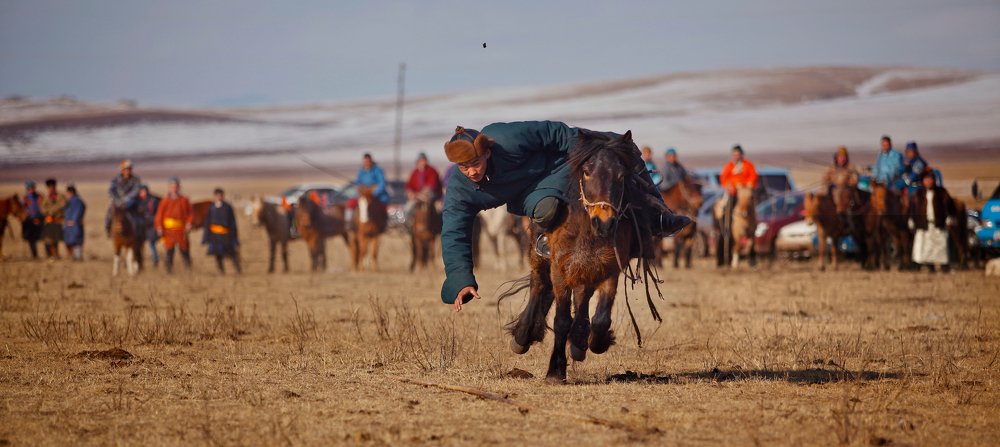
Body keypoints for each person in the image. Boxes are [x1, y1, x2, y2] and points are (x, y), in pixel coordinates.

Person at [439, 122, 691, 311]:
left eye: (475, 163)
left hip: (554, 170)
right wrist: (460, 279)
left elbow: (555, 132)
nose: (471, 171)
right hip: (522, 196)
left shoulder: (507, 139)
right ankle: (545, 241)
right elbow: (453, 230)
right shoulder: (460, 188)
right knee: (544, 209)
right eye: (463, 167)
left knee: (620, 151)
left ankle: (659, 215)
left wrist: (594, 150)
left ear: (487, 153)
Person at [910, 168, 953, 273]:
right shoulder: (918, 194)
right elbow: (912, 209)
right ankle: (930, 267)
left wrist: (949, 218)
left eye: (931, 179)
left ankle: (944, 266)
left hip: (938, 224)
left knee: (941, 246)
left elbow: (949, 206)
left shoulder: (941, 193)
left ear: (934, 180)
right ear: (922, 181)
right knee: (925, 246)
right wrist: (911, 220)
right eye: (926, 179)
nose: (928, 182)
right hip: (924, 224)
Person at [154, 177, 193, 274]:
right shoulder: (164, 200)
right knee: (169, 252)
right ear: (169, 188)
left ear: (179, 187)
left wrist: (189, 223)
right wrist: (159, 227)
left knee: (184, 250)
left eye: (175, 186)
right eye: (172, 187)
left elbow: (191, 214)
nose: (174, 188)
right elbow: (159, 216)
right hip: (168, 231)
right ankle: (169, 272)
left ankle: (189, 271)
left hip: (181, 230)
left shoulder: (184, 200)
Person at [203, 187, 241, 274]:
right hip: (215, 236)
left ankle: (238, 270)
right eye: (217, 195)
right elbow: (208, 222)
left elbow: (232, 222)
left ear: (223, 196)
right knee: (218, 254)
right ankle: (221, 271)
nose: (219, 197)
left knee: (232, 254)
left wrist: (234, 237)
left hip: (226, 235)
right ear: (215, 196)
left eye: (220, 195)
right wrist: (206, 237)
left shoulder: (227, 207)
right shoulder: (211, 207)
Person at [346, 153, 390, 226]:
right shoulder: (361, 171)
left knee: (382, 205)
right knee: (351, 203)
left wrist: (374, 192)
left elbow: (381, 184)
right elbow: (358, 183)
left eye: (368, 161)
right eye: (365, 161)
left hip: (376, 195)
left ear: (371, 161)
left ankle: (384, 223)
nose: (366, 163)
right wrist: (359, 188)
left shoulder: (377, 170)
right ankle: (349, 222)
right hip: (363, 193)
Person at [106, 160, 142, 236]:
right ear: (122, 170)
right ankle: (108, 229)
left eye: (129, 169)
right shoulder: (115, 180)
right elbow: (111, 191)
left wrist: (126, 200)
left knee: (137, 214)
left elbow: (136, 191)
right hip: (117, 202)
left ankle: (138, 230)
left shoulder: (136, 179)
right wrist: (116, 200)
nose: (127, 171)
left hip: (131, 202)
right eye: (125, 169)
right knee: (109, 213)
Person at [403, 152, 443, 221]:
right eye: (420, 161)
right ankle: (408, 226)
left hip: (431, 195)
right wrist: (410, 193)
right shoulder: (415, 172)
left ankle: (436, 225)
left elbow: (432, 185)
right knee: (407, 208)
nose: (422, 162)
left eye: (423, 160)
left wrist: (423, 193)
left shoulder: (432, 170)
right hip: (417, 196)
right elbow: (409, 186)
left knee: (435, 209)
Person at [822, 146, 861, 213]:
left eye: (843, 157)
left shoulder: (851, 167)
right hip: (833, 191)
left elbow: (855, 180)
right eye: (840, 157)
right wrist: (828, 182)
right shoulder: (832, 168)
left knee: (841, 193)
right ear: (836, 158)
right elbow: (825, 179)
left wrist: (847, 182)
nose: (842, 159)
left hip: (847, 193)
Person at [39, 178, 67, 260]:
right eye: (50, 187)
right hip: (48, 221)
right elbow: (42, 209)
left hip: (58, 221)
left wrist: (51, 210)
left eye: (53, 187)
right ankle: (51, 255)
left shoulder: (61, 196)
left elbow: (62, 205)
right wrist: (50, 212)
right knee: (49, 239)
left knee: (56, 239)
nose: (52, 189)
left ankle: (56, 254)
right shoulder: (45, 198)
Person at [136, 185, 161, 267]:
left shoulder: (153, 200)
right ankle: (139, 261)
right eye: (141, 192)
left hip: (151, 226)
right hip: (141, 226)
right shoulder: (137, 201)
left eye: (144, 191)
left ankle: (155, 260)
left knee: (151, 243)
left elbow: (156, 212)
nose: (143, 193)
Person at [63, 184, 86, 261]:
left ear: (70, 192)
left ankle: (78, 257)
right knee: (70, 241)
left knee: (76, 241)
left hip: (75, 225)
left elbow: (78, 212)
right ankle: (73, 256)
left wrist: (73, 221)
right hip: (69, 225)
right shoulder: (69, 201)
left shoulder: (77, 201)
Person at [20, 180, 43, 259]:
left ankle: (49, 254)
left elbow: (43, 206)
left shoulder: (39, 197)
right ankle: (34, 255)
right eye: (30, 188)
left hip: (39, 219)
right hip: (29, 221)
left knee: (42, 237)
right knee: (31, 239)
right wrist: (26, 213)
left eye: (33, 187)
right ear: (27, 189)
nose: (32, 189)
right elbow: (21, 209)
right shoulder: (25, 198)